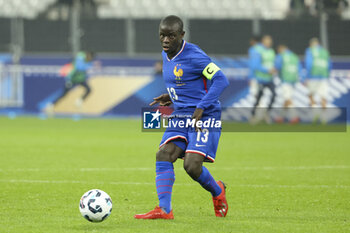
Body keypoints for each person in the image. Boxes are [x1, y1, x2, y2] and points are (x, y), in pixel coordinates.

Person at [134, 15, 229, 220]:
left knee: (192, 166)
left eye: (171, 36)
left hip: (204, 116)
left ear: (181, 35)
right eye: (162, 35)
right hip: (181, 113)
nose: (165, 40)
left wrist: (202, 107)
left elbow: (221, 80)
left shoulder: (195, 56)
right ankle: (165, 210)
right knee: (163, 154)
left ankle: (218, 191)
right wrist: (172, 96)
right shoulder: (166, 53)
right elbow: (185, 80)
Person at [250, 35, 277, 123]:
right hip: (260, 78)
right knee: (259, 98)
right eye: (267, 42)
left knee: (274, 95)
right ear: (263, 42)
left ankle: (266, 112)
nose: (269, 43)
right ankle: (253, 115)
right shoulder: (257, 50)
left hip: (269, 78)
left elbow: (272, 63)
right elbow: (255, 65)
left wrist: (274, 69)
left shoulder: (272, 51)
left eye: (270, 42)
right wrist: (267, 70)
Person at [274, 44, 303, 123]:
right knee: (286, 99)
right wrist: (302, 79)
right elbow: (299, 68)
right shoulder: (294, 56)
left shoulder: (281, 56)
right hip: (293, 80)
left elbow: (277, 66)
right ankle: (280, 117)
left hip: (285, 80)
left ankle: (295, 116)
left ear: (280, 50)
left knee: (287, 98)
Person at [304, 38, 331, 109]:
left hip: (313, 76)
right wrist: (327, 75)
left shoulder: (310, 50)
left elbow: (309, 64)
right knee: (323, 96)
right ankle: (324, 117)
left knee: (310, 95)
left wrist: (307, 77)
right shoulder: (325, 52)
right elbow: (330, 65)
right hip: (324, 77)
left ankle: (315, 113)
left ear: (311, 44)